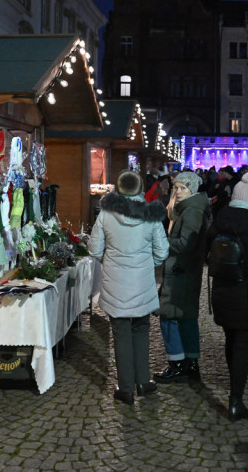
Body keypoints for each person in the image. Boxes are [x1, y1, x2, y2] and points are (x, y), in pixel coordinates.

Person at [88, 170, 170, 405]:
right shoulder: (151, 215)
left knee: (120, 332)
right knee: (141, 330)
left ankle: (125, 388)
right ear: (141, 189)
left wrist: (110, 262)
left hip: (115, 283)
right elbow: (162, 251)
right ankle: (143, 381)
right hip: (142, 282)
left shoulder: (106, 214)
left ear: (119, 189)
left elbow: (94, 249)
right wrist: (147, 264)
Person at [205, 172, 248, 420]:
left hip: (222, 293)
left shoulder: (219, 222)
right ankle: (236, 401)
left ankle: (235, 390)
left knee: (230, 340)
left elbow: (206, 252)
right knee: (243, 347)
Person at [154, 171, 209, 383]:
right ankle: (190, 364)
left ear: (191, 190)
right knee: (186, 318)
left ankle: (177, 365)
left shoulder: (192, 211)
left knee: (170, 317)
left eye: (182, 188)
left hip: (181, 271)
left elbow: (186, 244)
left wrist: (162, 240)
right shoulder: (190, 209)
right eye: (176, 187)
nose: (177, 192)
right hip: (185, 270)